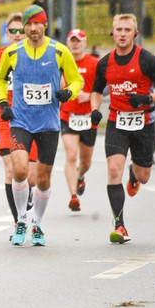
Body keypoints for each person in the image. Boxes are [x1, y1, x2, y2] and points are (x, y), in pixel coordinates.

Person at [0, 4, 83, 246]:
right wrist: (3, 102)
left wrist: (68, 93)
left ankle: (38, 225)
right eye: (29, 24)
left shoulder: (59, 51)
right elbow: (0, 79)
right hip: (20, 120)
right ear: (24, 27)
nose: (33, 28)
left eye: (38, 24)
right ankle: (21, 219)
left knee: (43, 180)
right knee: (19, 170)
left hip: (48, 124)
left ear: (45, 25)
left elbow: (77, 80)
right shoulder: (12, 53)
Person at [89, 13, 155, 244]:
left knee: (143, 176)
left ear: (135, 33)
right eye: (119, 29)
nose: (123, 34)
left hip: (144, 124)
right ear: (113, 32)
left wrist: (147, 99)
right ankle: (120, 225)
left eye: (128, 30)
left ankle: (134, 174)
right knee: (113, 170)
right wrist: (95, 109)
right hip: (117, 122)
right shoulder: (105, 63)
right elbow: (96, 90)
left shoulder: (146, 59)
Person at [0, 12, 38, 226]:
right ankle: (18, 221)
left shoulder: (37, 54)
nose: (16, 35)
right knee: (11, 170)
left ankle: (27, 193)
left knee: (29, 177)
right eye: (12, 31)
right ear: (6, 33)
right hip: (6, 118)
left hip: (32, 118)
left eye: (19, 31)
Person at [59, 28, 100, 212]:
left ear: (84, 43)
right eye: (72, 40)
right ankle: (73, 196)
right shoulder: (61, 62)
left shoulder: (95, 63)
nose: (75, 43)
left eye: (79, 40)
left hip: (88, 117)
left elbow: (104, 88)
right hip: (68, 115)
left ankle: (81, 176)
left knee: (85, 162)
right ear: (68, 43)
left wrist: (89, 95)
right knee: (71, 155)